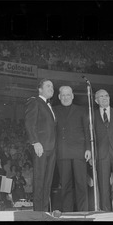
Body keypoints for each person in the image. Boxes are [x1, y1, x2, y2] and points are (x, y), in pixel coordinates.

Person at [54, 86, 91, 212]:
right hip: (62, 152)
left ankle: (83, 211)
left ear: (73, 96)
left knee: (81, 184)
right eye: (63, 95)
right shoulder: (54, 110)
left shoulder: (81, 110)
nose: (65, 97)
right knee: (65, 185)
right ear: (59, 97)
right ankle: (67, 212)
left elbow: (87, 131)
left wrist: (88, 149)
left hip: (79, 151)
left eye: (68, 95)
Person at [24, 78, 56, 212]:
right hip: (41, 147)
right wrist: (35, 142)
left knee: (47, 183)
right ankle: (37, 213)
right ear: (40, 89)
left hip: (52, 149)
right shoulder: (34, 101)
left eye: (52, 87)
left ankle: (44, 212)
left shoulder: (50, 106)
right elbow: (29, 123)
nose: (51, 88)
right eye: (48, 86)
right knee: (39, 181)